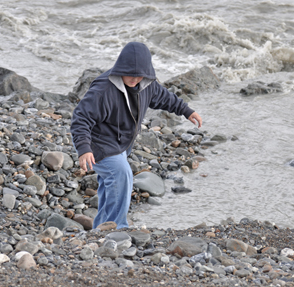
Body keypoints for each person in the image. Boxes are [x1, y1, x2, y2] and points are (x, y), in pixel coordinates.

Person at [70, 42, 202, 229]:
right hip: (97, 143)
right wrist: (84, 148)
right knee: (121, 175)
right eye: (129, 74)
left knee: (111, 186)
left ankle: (100, 228)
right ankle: (117, 227)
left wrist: (186, 110)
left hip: (121, 142)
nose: (134, 79)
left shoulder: (146, 84)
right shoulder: (103, 90)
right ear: (120, 68)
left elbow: (165, 97)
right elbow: (80, 118)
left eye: (139, 75)